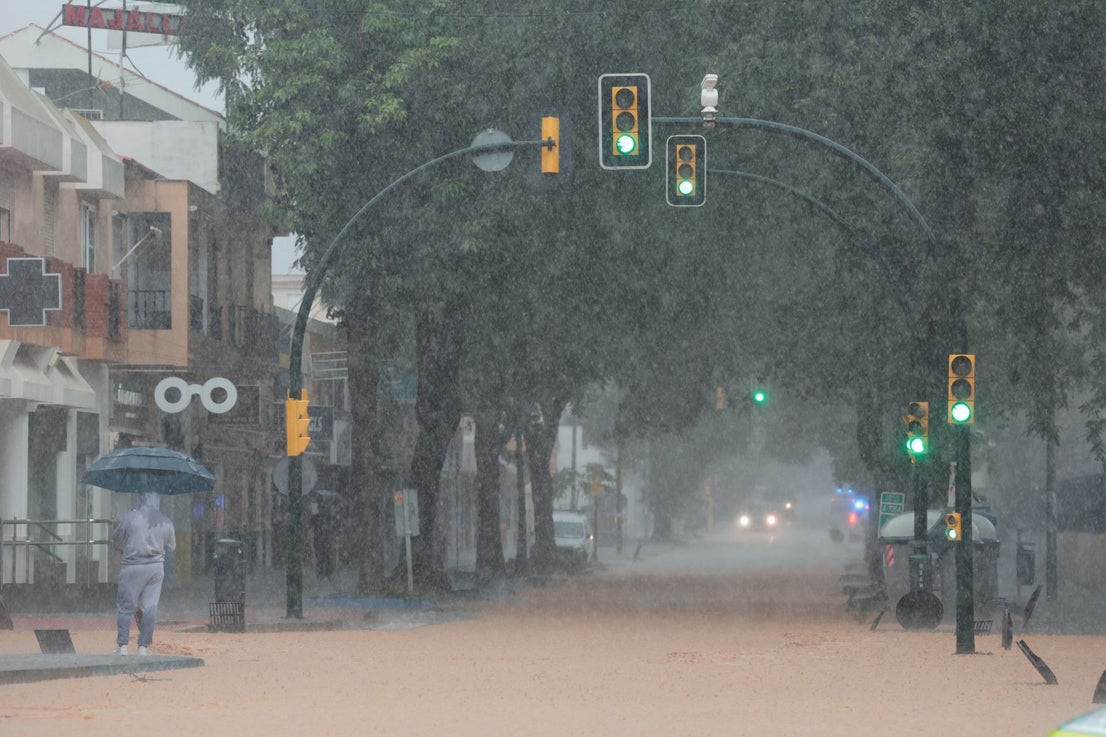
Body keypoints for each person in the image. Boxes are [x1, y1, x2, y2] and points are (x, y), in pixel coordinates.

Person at [113, 490, 176, 656]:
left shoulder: (130, 517)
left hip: (132, 567)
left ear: (140, 499)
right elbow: (171, 547)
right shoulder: (166, 521)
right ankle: (143, 647)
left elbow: (116, 536)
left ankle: (123, 646)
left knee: (125, 607)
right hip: (155, 569)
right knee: (150, 607)